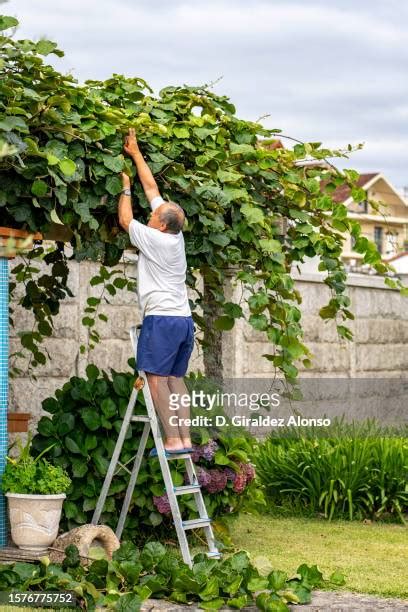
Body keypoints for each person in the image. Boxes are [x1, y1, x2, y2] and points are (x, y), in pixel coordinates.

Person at [118, 128, 193, 454]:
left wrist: (124, 187)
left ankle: (173, 440)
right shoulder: (174, 235)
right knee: (176, 379)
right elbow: (153, 188)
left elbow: (125, 220)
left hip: (161, 319)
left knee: (155, 380)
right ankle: (186, 439)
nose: (150, 214)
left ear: (162, 224)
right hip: (183, 320)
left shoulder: (155, 238)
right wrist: (135, 154)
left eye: (153, 215)